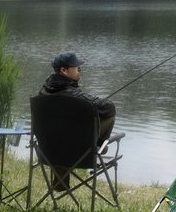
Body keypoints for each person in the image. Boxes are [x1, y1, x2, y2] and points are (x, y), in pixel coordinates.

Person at [39, 51, 117, 189]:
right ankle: (97, 148)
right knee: (109, 115)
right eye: (76, 66)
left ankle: (60, 180)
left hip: (47, 153)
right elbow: (109, 107)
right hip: (79, 155)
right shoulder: (75, 96)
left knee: (61, 133)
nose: (79, 69)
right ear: (63, 70)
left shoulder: (42, 93)